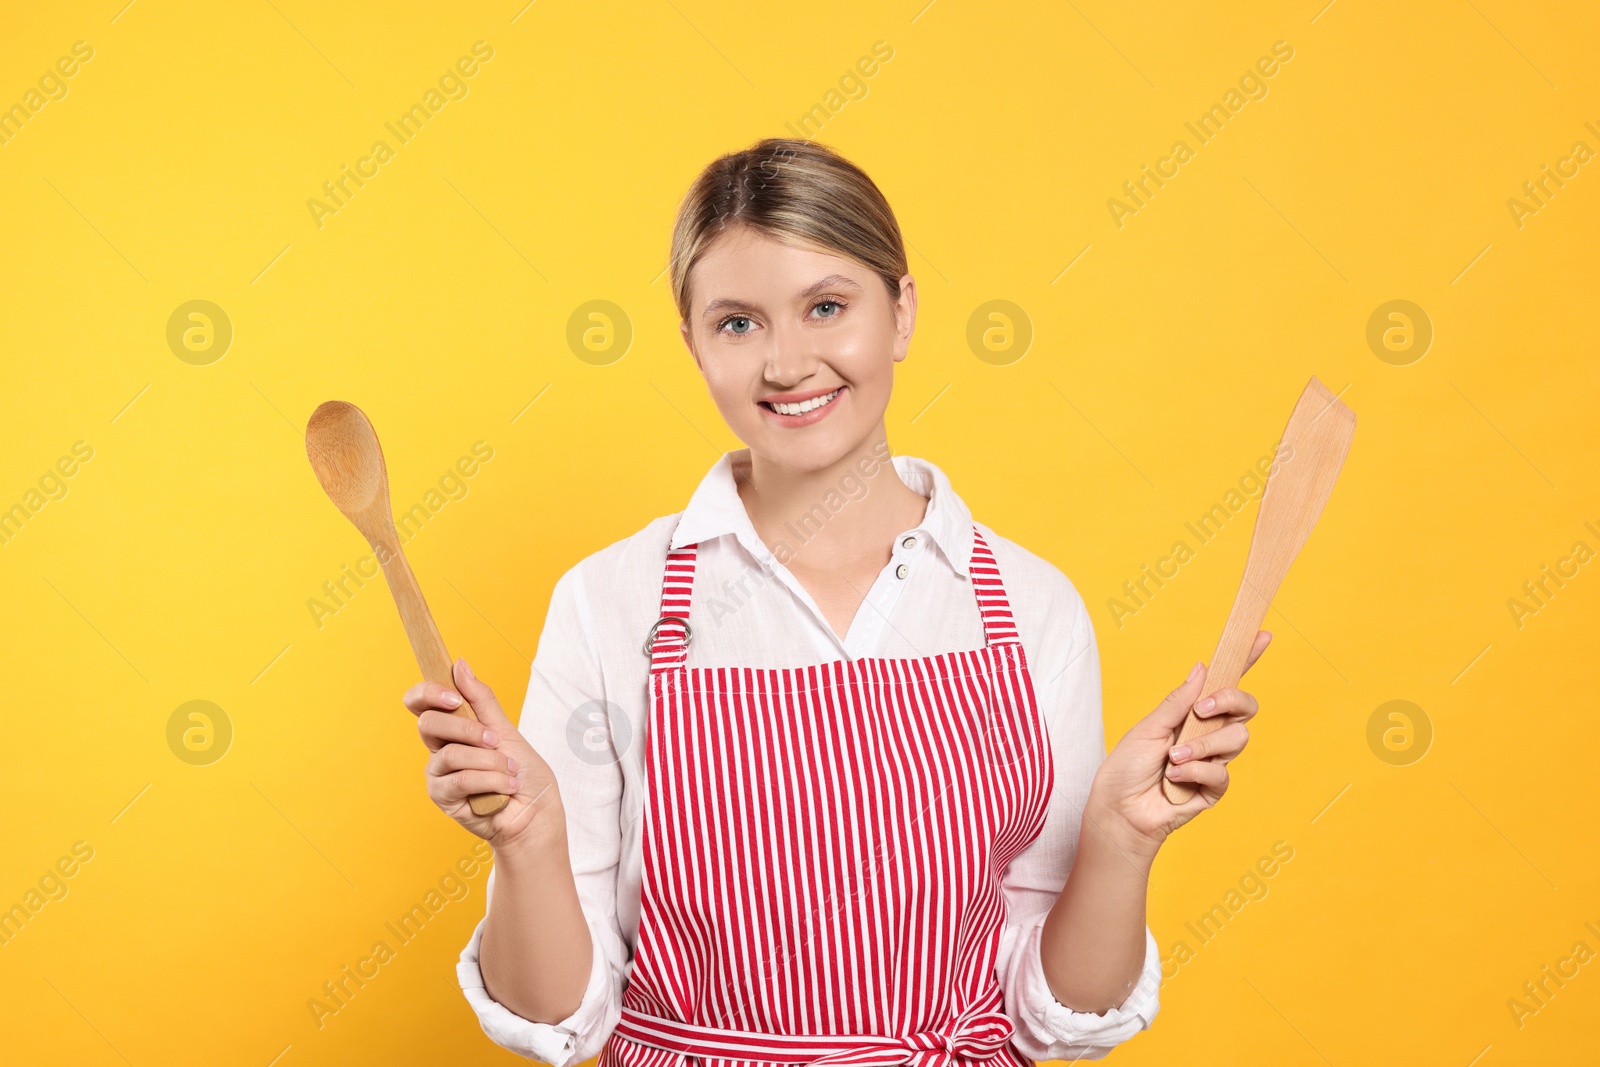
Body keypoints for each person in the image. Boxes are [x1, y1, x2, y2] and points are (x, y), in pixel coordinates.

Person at [404, 137, 1270, 1066]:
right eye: (738, 323)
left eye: (826, 306)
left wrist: (1121, 838)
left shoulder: (1028, 606)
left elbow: (1055, 1015)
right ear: (692, 346)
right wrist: (526, 843)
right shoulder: (611, 602)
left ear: (900, 313)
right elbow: (558, 1016)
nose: (787, 363)